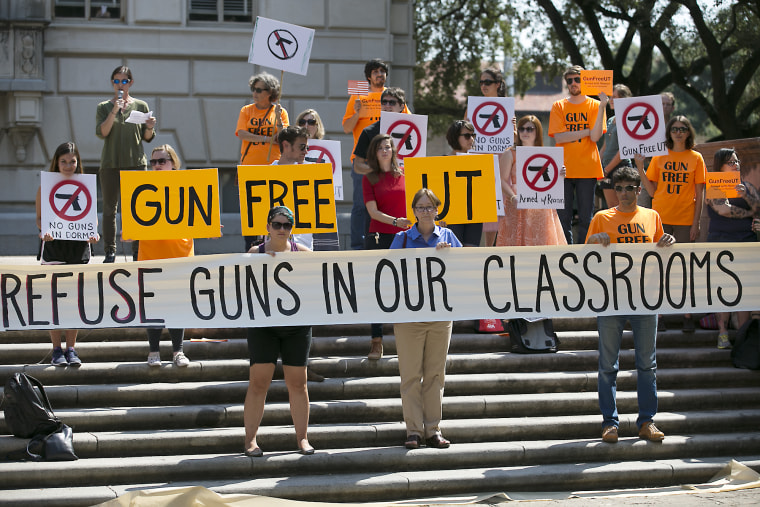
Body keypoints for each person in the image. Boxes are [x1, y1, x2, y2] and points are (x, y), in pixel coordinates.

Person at [586, 166, 675, 444]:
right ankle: (610, 423)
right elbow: (582, 255)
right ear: (614, 190)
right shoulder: (601, 217)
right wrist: (593, 241)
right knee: (607, 365)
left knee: (647, 364)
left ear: (639, 190)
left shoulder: (652, 216)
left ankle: (647, 421)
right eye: (619, 187)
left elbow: (660, 250)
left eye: (630, 188)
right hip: (611, 299)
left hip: (645, 298)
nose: (624, 193)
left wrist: (667, 242)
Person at [390, 188, 462, 449]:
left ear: (437, 210)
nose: (425, 212)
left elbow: (465, 267)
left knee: (435, 375)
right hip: (409, 317)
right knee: (410, 375)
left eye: (430, 207)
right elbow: (390, 271)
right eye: (420, 207)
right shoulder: (402, 238)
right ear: (413, 211)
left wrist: (449, 255)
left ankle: (433, 429)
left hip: (441, 315)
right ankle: (413, 431)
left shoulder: (449, 237)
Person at [243, 206, 314, 457]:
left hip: (297, 326)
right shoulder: (255, 253)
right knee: (258, 382)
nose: (282, 229)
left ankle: (302, 438)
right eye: (277, 224)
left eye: (287, 225)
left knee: (299, 383)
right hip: (264, 327)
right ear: (268, 226)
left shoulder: (303, 253)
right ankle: (250, 440)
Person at [637, 115, 706, 332]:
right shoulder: (659, 157)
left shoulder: (696, 158)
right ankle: (661, 315)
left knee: (684, 267)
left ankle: (687, 316)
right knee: (659, 267)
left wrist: (696, 223)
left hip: (686, 220)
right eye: (674, 128)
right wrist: (640, 166)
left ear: (688, 132)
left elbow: (700, 194)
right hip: (661, 218)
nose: (678, 132)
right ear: (669, 132)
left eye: (683, 128)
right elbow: (651, 191)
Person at [35, 142, 100, 367]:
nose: (68, 165)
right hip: (54, 249)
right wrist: (44, 232)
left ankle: (71, 349)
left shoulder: (86, 186)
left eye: (72, 161)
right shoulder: (46, 186)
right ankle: (56, 350)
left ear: (78, 162)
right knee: (54, 301)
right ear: (56, 162)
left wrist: (94, 235)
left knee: (74, 301)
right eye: (63, 161)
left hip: (78, 249)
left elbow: (91, 218)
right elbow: (40, 218)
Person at [343, 60, 410, 251]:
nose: (379, 74)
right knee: (361, 208)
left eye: (383, 71)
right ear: (368, 76)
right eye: (375, 71)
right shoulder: (359, 96)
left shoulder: (396, 99)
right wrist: (356, 113)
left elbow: (416, 131)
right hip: (369, 171)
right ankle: (359, 247)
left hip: (399, 175)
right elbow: (347, 128)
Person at [96, 65, 156, 263]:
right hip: (110, 163)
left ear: (130, 82)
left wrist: (149, 127)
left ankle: (137, 250)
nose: (120, 85)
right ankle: (110, 251)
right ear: (112, 83)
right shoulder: (104, 106)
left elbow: (147, 138)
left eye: (124, 81)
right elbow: (103, 132)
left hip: (135, 163)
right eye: (116, 81)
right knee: (109, 208)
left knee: (135, 209)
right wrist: (115, 110)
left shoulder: (141, 105)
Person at [139, 144, 193, 368]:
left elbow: (197, 215)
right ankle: (154, 351)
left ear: (173, 163)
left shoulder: (187, 187)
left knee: (177, 304)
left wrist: (207, 228)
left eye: (161, 161)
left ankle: (178, 351)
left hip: (178, 253)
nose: (157, 166)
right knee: (153, 305)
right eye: (153, 162)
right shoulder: (142, 188)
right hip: (151, 253)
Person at [363, 134, 413, 359]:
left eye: (388, 147)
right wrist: (395, 221)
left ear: (393, 150)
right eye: (380, 148)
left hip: (405, 237)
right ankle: (376, 341)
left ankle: (406, 341)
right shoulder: (370, 178)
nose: (384, 151)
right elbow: (372, 212)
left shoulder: (406, 174)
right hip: (379, 237)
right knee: (379, 289)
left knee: (406, 287)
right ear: (374, 152)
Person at [706, 148, 760, 348]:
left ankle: (743, 335)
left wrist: (747, 197)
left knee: (743, 289)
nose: (735, 165)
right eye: (730, 162)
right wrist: (748, 215)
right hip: (721, 241)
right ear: (719, 165)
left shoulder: (746, 186)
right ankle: (723, 333)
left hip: (745, 241)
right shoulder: (714, 184)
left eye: (736, 161)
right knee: (724, 288)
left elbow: (758, 207)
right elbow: (723, 210)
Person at [549, 64, 607, 244]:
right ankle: (566, 253)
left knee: (585, 217)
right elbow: (559, 136)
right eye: (569, 80)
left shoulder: (596, 105)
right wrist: (586, 131)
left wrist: (604, 105)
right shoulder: (558, 105)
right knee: (563, 218)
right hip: (563, 169)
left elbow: (596, 136)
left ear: (585, 81)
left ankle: (584, 253)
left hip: (587, 168)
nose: (573, 83)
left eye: (577, 79)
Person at [236, 72, 289, 251]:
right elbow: (242, 134)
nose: (255, 93)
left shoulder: (280, 112)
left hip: (272, 169)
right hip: (249, 170)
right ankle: (251, 250)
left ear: (270, 92)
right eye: (253, 89)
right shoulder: (246, 110)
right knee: (250, 216)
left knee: (273, 212)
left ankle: (273, 249)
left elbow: (283, 138)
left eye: (259, 89)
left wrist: (280, 122)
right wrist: (266, 139)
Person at [497, 115, 567, 247]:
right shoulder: (510, 153)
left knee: (543, 243)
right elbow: (501, 181)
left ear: (537, 132)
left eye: (529, 129)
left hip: (542, 205)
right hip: (517, 205)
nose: (524, 132)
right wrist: (513, 197)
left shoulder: (546, 154)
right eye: (521, 129)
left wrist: (560, 174)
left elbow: (549, 182)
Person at [295, 108, 340, 252]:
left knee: (325, 247)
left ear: (317, 125)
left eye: (311, 122)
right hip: (301, 201)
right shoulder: (292, 150)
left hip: (323, 201)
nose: (306, 125)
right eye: (302, 122)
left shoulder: (328, 148)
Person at [477, 68, 507, 247]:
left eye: (487, 82)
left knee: (500, 210)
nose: (483, 86)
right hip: (481, 160)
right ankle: (488, 250)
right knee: (486, 211)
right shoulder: (473, 107)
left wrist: (513, 129)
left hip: (502, 162)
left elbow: (514, 138)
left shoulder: (506, 107)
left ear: (497, 84)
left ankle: (499, 249)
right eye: (481, 82)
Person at [443, 120, 483, 247]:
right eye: (467, 136)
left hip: (474, 214)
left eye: (473, 135)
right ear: (455, 137)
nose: (471, 139)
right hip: (451, 215)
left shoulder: (479, 161)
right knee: (453, 253)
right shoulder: (442, 161)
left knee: (471, 254)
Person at [599, 84, 633, 209]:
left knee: (623, 207)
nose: (610, 100)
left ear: (624, 99)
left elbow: (624, 150)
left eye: (614, 97)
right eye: (610, 97)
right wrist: (598, 166)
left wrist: (606, 170)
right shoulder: (610, 120)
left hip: (621, 168)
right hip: (606, 169)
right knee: (611, 207)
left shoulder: (628, 119)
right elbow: (605, 145)